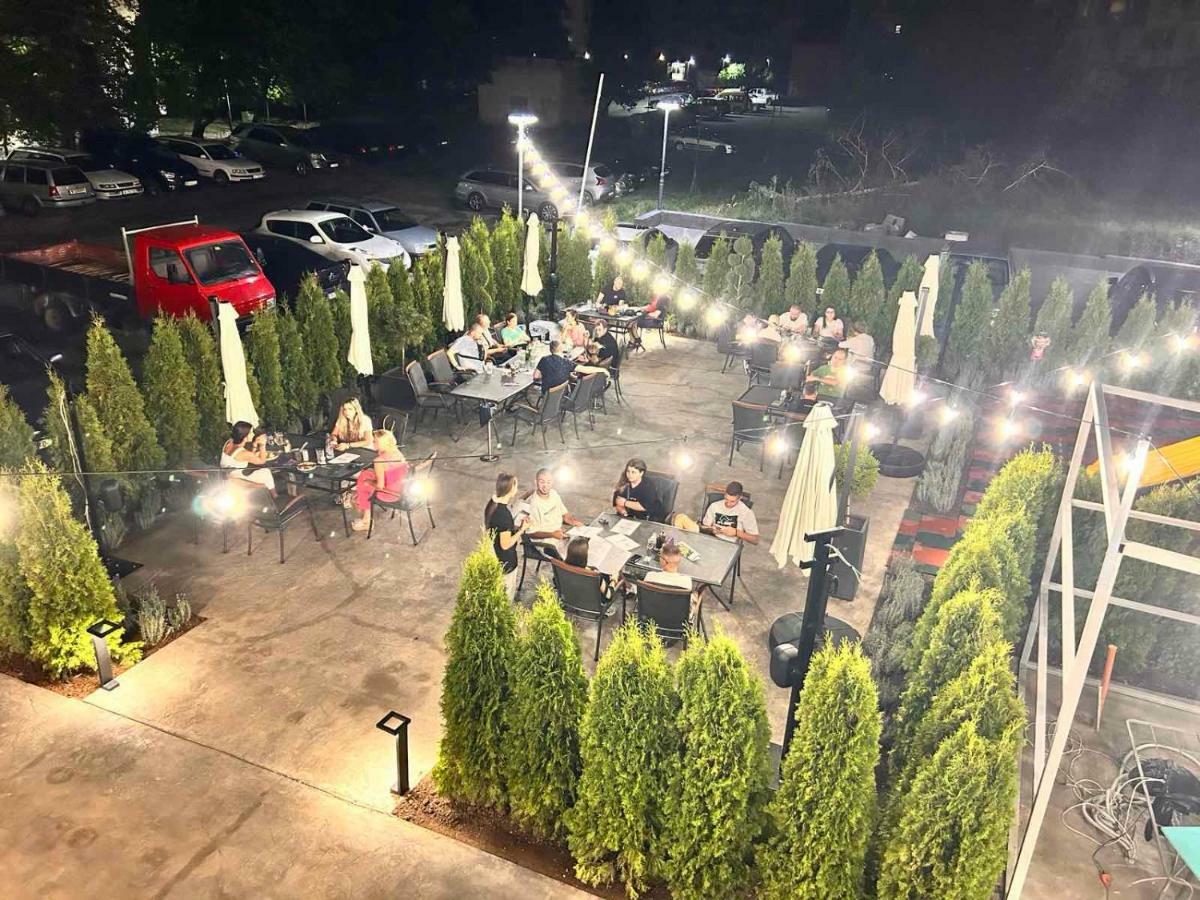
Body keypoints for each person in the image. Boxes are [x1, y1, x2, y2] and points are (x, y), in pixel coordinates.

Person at [350, 429, 408, 532]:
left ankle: (366, 521)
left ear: (383, 443)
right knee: (366, 474)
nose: (373, 443)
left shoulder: (379, 460)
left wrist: (369, 482)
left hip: (389, 494)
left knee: (364, 483)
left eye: (375, 442)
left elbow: (380, 486)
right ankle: (361, 505)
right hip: (402, 489)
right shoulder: (397, 452)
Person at [485, 472, 528, 599]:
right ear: (511, 489)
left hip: (495, 555)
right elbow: (505, 544)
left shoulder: (492, 503)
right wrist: (522, 530)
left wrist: (513, 528)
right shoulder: (503, 515)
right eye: (516, 486)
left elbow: (499, 529)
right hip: (505, 562)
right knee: (506, 597)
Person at [524, 467, 583, 544]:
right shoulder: (533, 504)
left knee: (585, 541)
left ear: (552, 482)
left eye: (548, 482)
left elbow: (564, 514)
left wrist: (572, 521)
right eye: (542, 482)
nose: (545, 486)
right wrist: (552, 534)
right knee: (578, 548)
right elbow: (531, 533)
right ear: (536, 482)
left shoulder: (554, 494)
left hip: (559, 534)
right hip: (545, 542)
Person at [220, 421, 276, 494]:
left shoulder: (230, 442)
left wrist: (254, 444)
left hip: (230, 476)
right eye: (250, 433)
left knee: (262, 472)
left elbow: (249, 456)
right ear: (245, 437)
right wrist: (262, 444)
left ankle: (273, 494)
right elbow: (262, 461)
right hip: (237, 482)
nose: (252, 434)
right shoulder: (241, 453)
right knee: (266, 473)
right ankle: (274, 495)